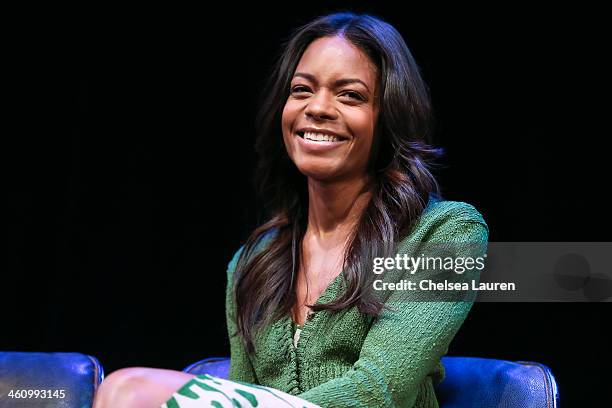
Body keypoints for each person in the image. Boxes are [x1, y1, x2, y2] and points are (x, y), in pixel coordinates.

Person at [93, 11, 488, 408]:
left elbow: (377, 391)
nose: (317, 107)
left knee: (130, 391)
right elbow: (242, 390)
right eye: (301, 90)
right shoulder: (253, 261)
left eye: (349, 94)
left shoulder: (448, 233)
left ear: (389, 116)